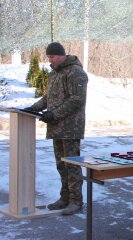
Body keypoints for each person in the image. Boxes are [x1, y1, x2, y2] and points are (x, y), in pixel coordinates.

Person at [25, 42, 88, 215]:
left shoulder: (76, 73)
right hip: (56, 127)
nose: (50, 60)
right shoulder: (54, 73)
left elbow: (76, 100)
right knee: (61, 165)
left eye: (53, 56)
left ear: (62, 55)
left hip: (70, 127)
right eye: (49, 57)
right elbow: (48, 97)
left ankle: (76, 201)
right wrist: (34, 107)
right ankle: (65, 198)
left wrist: (54, 114)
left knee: (72, 165)